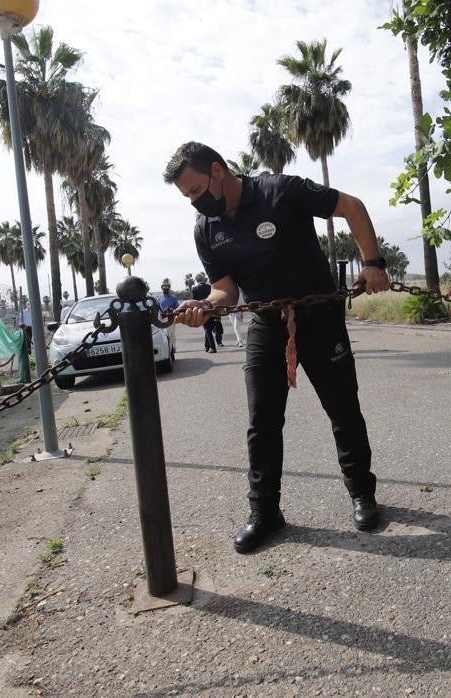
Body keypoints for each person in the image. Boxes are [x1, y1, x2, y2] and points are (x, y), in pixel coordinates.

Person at [163, 141, 390, 553]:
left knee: (343, 409)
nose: (195, 204)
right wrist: (204, 307)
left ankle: (362, 494)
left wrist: (373, 263)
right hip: (267, 326)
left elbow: (352, 207)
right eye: (187, 198)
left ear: (217, 170)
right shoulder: (206, 229)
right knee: (262, 424)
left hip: (319, 317)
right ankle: (265, 512)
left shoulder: (279, 191)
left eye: (195, 191)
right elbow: (224, 291)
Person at [189, 272, 219, 353]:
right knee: (208, 328)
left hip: (201, 311)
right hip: (211, 309)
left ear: (196, 280)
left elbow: (194, 301)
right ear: (204, 279)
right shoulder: (210, 287)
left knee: (207, 329)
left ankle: (213, 347)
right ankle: (207, 346)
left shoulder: (195, 289)